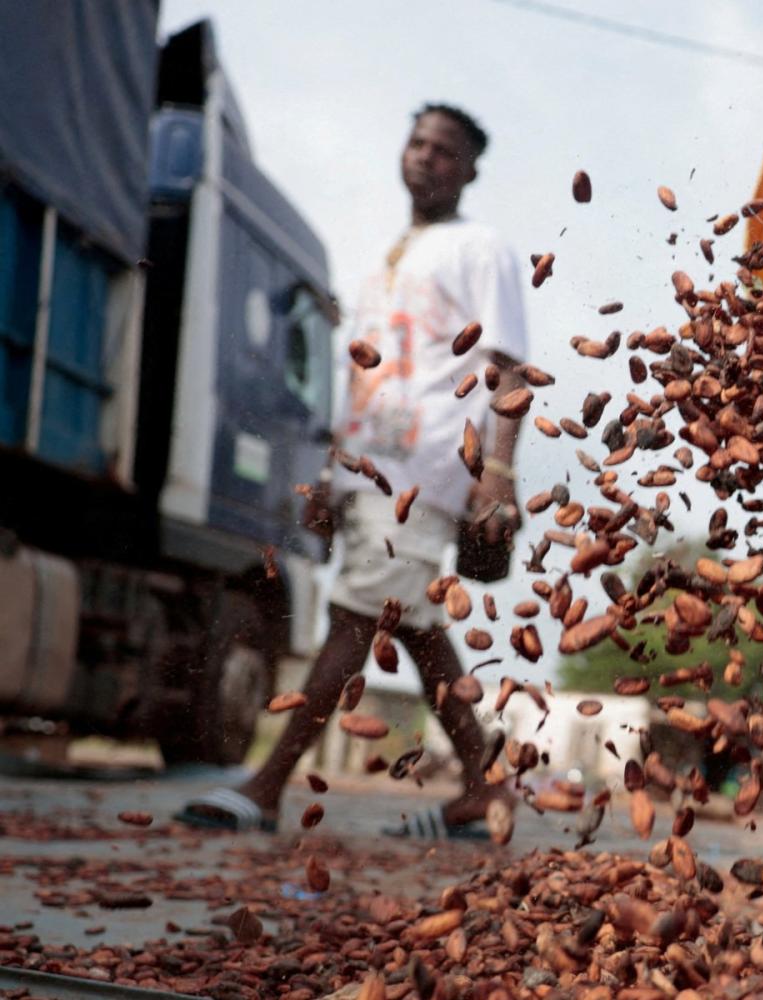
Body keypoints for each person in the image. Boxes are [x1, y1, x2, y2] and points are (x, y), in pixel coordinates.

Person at [177, 104, 529, 838]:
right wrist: (332, 476)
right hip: (370, 470)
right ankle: (486, 789)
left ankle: (267, 787)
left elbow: (505, 367)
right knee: (423, 634)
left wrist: (497, 470)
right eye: (419, 143)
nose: (427, 158)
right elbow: (366, 377)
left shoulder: (481, 248)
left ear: (469, 170)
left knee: (353, 617)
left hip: (425, 470)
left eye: (444, 151)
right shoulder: (386, 257)